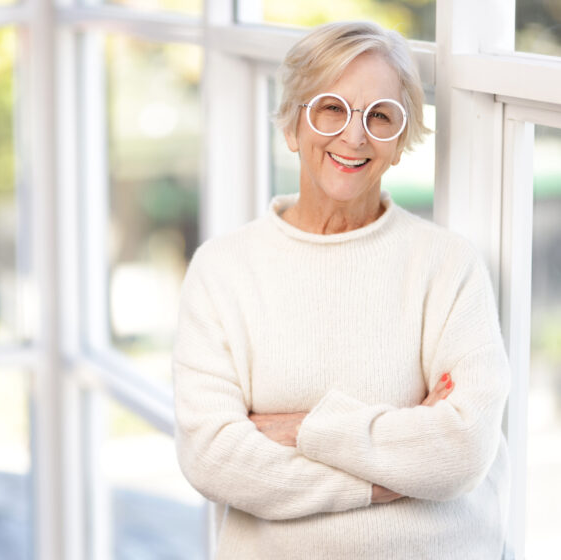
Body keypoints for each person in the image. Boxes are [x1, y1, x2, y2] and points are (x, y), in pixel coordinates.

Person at [172, 20, 510, 559]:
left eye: (380, 116)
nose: (354, 136)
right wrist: (381, 478)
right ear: (292, 125)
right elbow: (212, 455)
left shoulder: (447, 265)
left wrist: (306, 428)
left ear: (399, 143)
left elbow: (462, 449)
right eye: (332, 108)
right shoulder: (222, 270)